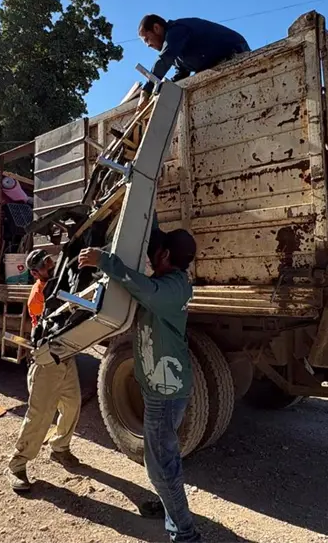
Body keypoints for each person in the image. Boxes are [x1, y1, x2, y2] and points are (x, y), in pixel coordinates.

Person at [78, 229, 201, 543]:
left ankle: (185, 534)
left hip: (165, 392)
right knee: (158, 457)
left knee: (162, 466)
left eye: (155, 252)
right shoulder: (170, 282)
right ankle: (170, 509)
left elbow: (143, 288)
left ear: (165, 255)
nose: (151, 256)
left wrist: (104, 261)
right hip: (160, 387)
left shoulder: (172, 288)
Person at [5, 249, 82, 493]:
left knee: (72, 404)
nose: (51, 266)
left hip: (65, 355)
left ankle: (60, 447)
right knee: (40, 414)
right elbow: (51, 321)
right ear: (36, 273)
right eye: (45, 265)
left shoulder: (59, 282)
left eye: (50, 261)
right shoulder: (39, 294)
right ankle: (17, 464)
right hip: (47, 358)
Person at [137, 14, 250, 106]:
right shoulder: (177, 54)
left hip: (236, 52)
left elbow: (165, 58)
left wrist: (147, 90)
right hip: (221, 63)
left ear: (156, 28)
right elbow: (182, 73)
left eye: (147, 39)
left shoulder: (177, 30)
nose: (148, 45)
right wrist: (163, 88)